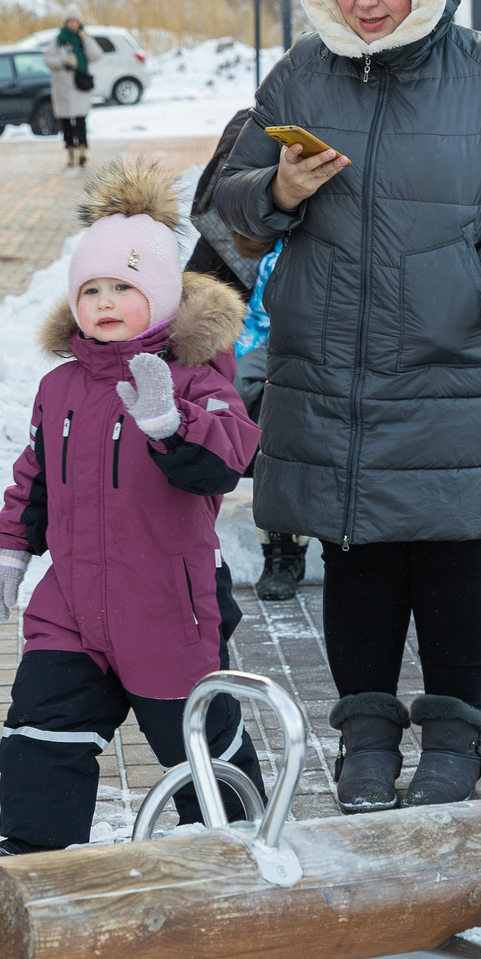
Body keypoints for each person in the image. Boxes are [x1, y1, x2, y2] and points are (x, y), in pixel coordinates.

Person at [211, 0, 481, 811]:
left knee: (454, 554)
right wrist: (280, 193)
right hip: (330, 370)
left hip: (453, 364)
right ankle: (366, 741)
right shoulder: (300, 74)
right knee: (357, 557)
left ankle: (456, 742)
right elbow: (226, 207)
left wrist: (478, 288)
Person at [0, 163, 265, 856]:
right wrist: (13, 549)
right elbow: (36, 474)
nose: (105, 302)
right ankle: (36, 849)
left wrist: (170, 423)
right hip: (72, 604)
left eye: (125, 288)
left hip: (169, 604)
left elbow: (228, 456)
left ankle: (235, 842)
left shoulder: (198, 380)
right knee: (42, 726)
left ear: (161, 295)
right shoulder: (60, 386)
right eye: (92, 289)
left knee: (196, 737)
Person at [187, 110, 310, 601]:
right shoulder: (224, 238)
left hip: (301, 351)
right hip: (239, 352)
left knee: (286, 407)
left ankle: (285, 547)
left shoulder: (321, 228)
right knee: (215, 404)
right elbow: (190, 299)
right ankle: (184, 537)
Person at [41, 12, 94, 167]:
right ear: (65, 23)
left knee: (80, 121)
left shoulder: (83, 40)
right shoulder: (58, 40)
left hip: (80, 86)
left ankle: (83, 152)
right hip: (62, 89)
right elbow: (47, 60)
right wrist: (63, 61)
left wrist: (85, 38)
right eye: (70, 21)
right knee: (66, 124)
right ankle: (71, 154)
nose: (73, 24)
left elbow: (96, 55)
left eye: (75, 21)